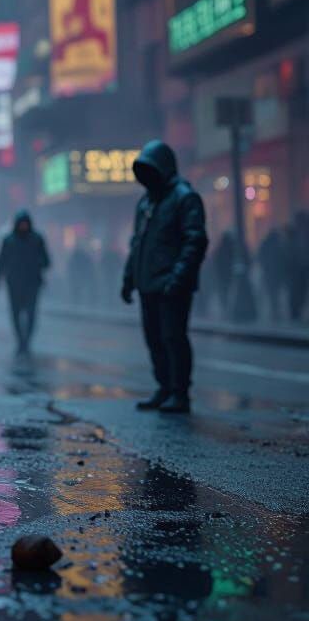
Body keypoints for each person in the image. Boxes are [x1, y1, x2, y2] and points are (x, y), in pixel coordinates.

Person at [122, 140, 208, 415]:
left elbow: (195, 241)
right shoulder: (146, 202)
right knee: (154, 338)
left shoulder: (184, 197)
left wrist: (178, 278)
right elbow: (137, 243)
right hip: (149, 283)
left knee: (173, 338)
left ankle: (179, 392)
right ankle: (164, 387)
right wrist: (128, 278)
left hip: (171, 285)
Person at [0, 210, 50, 353]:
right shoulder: (8, 241)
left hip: (32, 283)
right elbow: (1, 261)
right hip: (14, 283)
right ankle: (20, 339)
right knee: (15, 313)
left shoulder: (37, 239)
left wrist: (37, 263)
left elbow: (46, 260)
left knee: (31, 313)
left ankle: (27, 339)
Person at [256, 227, 286, 321]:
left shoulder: (267, 244)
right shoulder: (276, 245)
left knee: (272, 295)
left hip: (270, 274)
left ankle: (274, 313)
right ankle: (274, 314)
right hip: (272, 274)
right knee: (273, 295)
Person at [209, 230, 235, 317]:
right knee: (227, 294)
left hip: (223, 276)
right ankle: (228, 311)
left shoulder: (220, 250)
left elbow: (215, 263)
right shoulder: (231, 249)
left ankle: (226, 311)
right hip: (229, 276)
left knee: (224, 294)